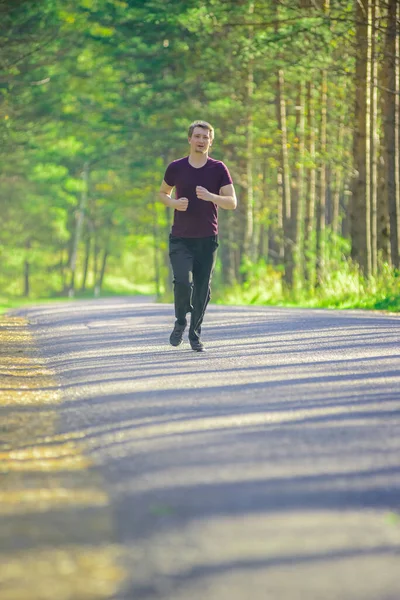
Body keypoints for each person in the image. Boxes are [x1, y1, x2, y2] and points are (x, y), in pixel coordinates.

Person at [159, 120, 237, 352]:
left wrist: (212, 196)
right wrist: (173, 203)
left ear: (210, 142)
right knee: (182, 282)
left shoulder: (218, 169)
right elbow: (162, 193)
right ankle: (181, 321)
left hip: (207, 238)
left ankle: (195, 334)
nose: (201, 141)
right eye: (198, 136)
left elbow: (232, 203)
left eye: (206, 137)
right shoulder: (176, 167)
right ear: (190, 139)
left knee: (202, 288)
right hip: (180, 237)